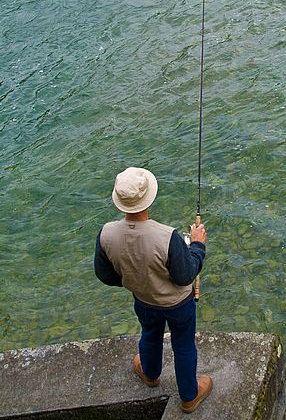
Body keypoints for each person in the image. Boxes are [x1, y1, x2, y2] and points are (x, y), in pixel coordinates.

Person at [94, 166, 213, 414]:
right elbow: (185, 276)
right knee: (183, 345)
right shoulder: (167, 236)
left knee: (149, 334)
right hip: (179, 305)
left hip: (144, 301)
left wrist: (133, 280)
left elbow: (105, 274)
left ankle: (150, 375)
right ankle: (189, 397)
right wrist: (198, 246)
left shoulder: (106, 233)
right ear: (150, 197)